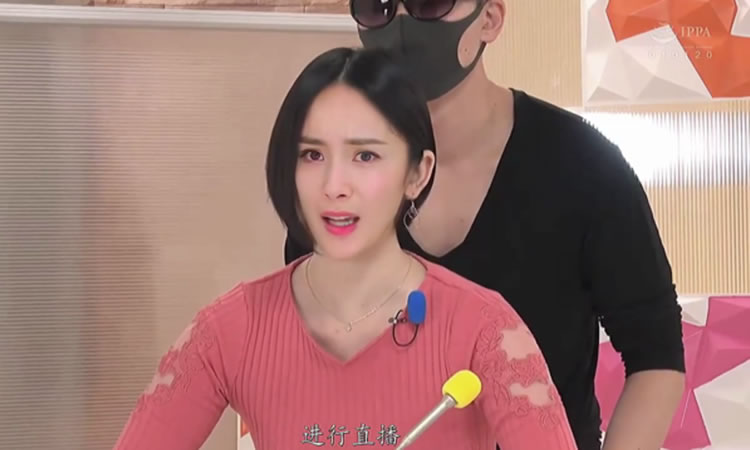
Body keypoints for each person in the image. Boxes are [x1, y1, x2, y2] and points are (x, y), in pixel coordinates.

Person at [113, 47, 578, 450]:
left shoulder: (485, 330)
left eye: (365, 156)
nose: (334, 185)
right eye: (312, 155)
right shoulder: (230, 329)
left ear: (417, 173)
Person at [283, 1, 687, 449]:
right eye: (378, 6)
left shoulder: (582, 165)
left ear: (489, 19)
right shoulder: (333, 186)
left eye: (429, 2)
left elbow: (656, 355)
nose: (401, 25)